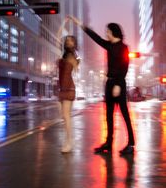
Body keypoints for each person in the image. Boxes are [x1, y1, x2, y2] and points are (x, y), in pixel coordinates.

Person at [68, 16, 135, 155]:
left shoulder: (124, 48)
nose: (106, 34)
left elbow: (124, 67)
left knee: (125, 114)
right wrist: (79, 24)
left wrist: (118, 85)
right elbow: (95, 37)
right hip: (109, 83)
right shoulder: (109, 45)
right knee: (108, 115)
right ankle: (109, 143)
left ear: (114, 32)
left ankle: (131, 144)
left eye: (108, 32)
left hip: (119, 84)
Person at [57, 22, 80, 153]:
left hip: (69, 88)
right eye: (68, 40)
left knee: (66, 116)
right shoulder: (64, 54)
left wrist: (76, 62)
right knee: (64, 116)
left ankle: (69, 141)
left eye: (71, 41)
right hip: (62, 89)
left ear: (74, 44)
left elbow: (76, 66)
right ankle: (69, 139)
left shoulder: (72, 56)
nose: (68, 42)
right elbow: (58, 36)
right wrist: (64, 22)